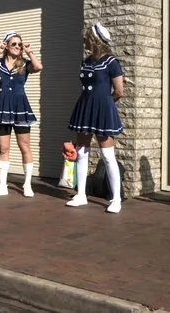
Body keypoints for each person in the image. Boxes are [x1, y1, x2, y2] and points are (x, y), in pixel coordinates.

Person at [66, 22, 124, 213]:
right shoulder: (86, 61)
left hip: (103, 110)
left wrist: (105, 105)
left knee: (107, 156)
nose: (85, 42)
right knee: (82, 152)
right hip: (84, 108)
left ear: (95, 40)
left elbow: (118, 91)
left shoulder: (111, 62)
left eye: (87, 39)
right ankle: (81, 194)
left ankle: (116, 199)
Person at [0, 31, 43, 198]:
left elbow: (38, 67)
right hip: (1, 108)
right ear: (7, 46)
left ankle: (27, 185)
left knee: (24, 146)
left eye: (19, 44)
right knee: (4, 148)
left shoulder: (24, 64)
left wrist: (29, 52)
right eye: (14, 44)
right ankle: (2, 186)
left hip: (20, 107)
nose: (17, 47)